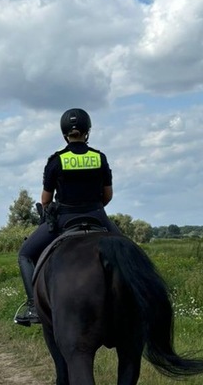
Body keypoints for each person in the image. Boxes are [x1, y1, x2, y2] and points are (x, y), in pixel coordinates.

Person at [14, 108, 123, 326]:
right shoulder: (99, 158)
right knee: (130, 251)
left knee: (25, 255)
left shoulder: (56, 160)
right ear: (87, 131)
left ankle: (34, 307)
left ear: (64, 133)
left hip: (64, 219)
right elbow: (108, 195)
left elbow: (45, 200)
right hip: (98, 216)